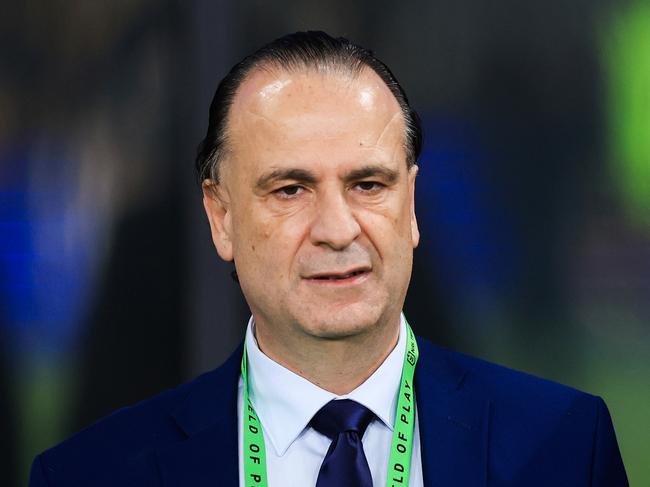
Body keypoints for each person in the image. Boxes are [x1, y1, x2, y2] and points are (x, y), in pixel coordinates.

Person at [30, 31, 628, 487]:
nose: (338, 230)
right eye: (290, 190)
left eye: (368, 184)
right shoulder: (94, 473)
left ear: (412, 203)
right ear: (221, 217)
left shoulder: (568, 448)